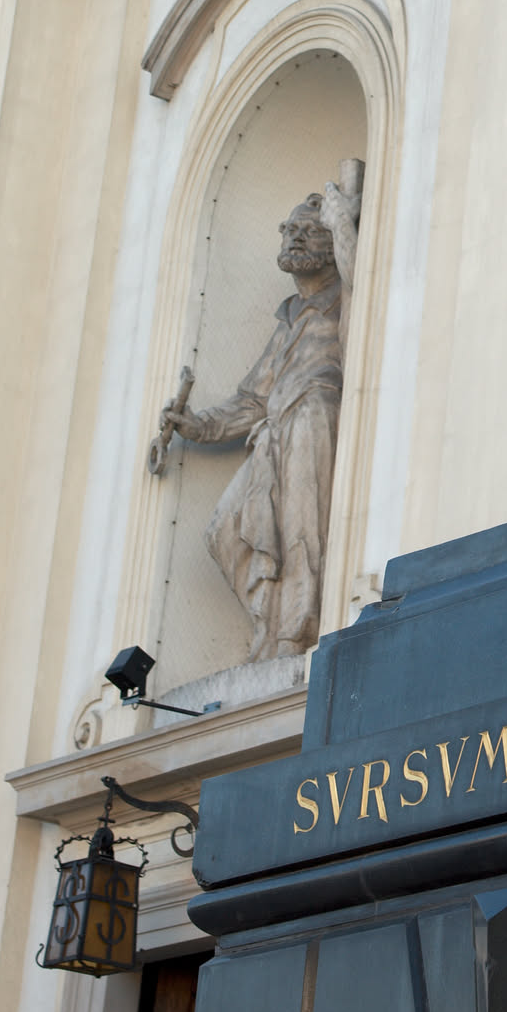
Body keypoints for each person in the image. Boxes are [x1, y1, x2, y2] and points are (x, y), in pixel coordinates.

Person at [157, 180, 358, 660]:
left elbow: (368, 282)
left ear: (332, 242)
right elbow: (251, 400)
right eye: (290, 229)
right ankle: (271, 624)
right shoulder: (289, 318)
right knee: (225, 529)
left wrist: (343, 225)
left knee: (303, 528)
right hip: (274, 429)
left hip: (314, 415)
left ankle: (297, 628)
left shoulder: (346, 296)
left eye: (310, 231)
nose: (296, 238)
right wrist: (196, 425)